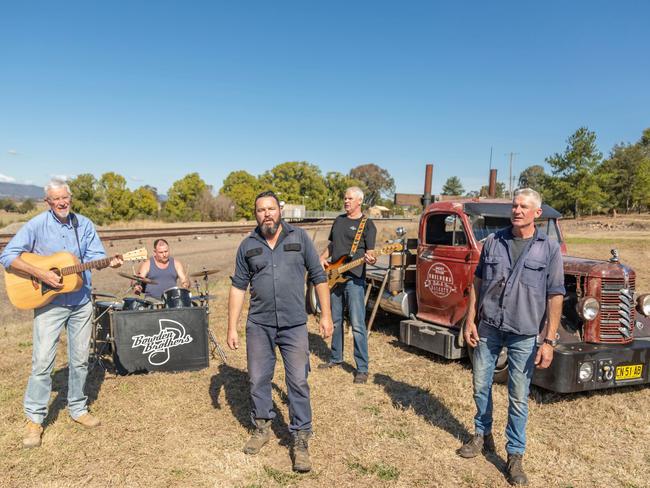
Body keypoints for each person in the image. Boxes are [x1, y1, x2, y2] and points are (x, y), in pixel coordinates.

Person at [0, 178, 123, 449]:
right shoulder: (36, 225)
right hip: (49, 303)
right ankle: (34, 420)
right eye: (56, 199)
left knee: (79, 359)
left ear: (70, 198)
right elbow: (8, 256)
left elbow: (96, 256)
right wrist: (41, 272)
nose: (62, 202)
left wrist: (108, 262)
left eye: (65, 197)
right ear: (48, 202)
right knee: (42, 362)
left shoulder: (85, 224)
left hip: (80, 302)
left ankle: (77, 408)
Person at [460, 188, 565, 485]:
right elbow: (478, 281)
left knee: (518, 397)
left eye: (523, 207)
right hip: (490, 326)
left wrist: (549, 340)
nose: (517, 210)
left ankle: (515, 455)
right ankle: (482, 435)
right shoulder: (493, 242)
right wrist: (471, 320)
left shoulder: (549, 249)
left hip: (525, 333)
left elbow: (555, 296)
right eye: (515, 205)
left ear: (537, 213)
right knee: (481, 385)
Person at [227, 190, 333, 473]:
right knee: (258, 378)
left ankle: (300, 438)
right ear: (256, 215)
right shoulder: (247, 245)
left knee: (298, 380)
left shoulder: (299, 238)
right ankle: (262, 427)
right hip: (259, 324)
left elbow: (319, 277)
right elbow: (238, 287)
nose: (267, 214)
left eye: (271, 209)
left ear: (280, 211)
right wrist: (232, 327)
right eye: (261, 210)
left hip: (294, 324)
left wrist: (326, 316)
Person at [317, 186, 376, 383]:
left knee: (357, 324)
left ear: (360, 201)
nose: (346, 201)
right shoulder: (339, 220)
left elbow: (371, 253)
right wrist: (322, 259)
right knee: (335, 320)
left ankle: (362, 368)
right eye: (345, 198)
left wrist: (371, 258)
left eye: (350, 198)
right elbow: (333, 245)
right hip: (334, 275)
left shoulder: (367, 224)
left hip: (355, 278)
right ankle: (336, 358)